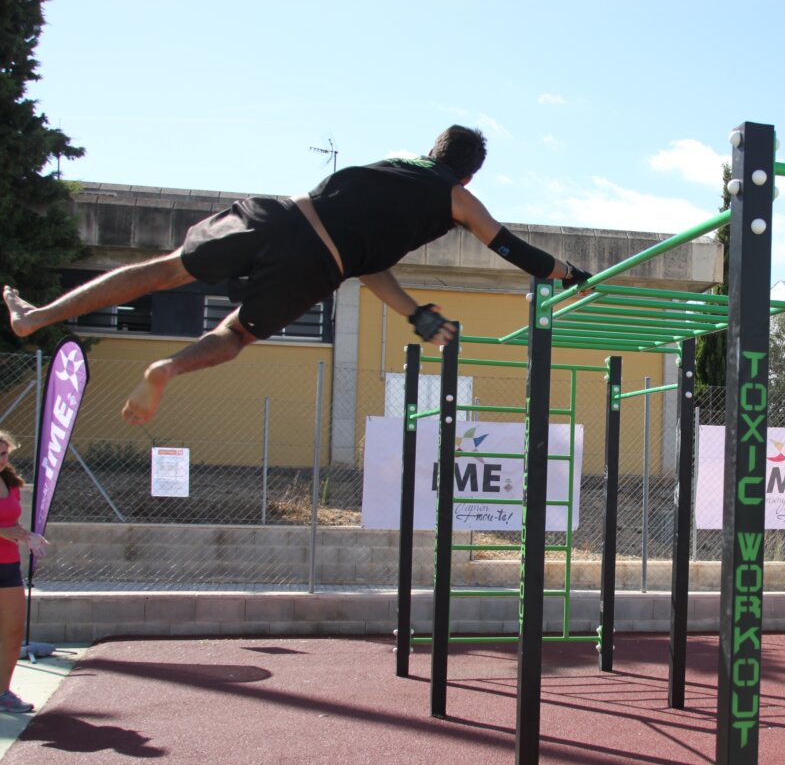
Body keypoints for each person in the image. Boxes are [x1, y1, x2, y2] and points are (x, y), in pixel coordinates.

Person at [4, 125, 591, 425]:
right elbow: (511, 247)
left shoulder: (393, 164)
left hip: (282, 214)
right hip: (319, 264)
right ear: (468, 175)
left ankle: (37, 315)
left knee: (165, 271)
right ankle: (169, 367)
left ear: (432, 149)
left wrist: (414, 311)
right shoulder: (456, 198)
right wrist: (571, 273)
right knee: (236, 333)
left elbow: (370, 267)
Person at [0, 430, 48, 714]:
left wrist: (29, 537)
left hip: (7, 566)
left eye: (4, 454)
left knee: (13, 630)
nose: (1, 460)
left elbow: (12, 526)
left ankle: (3, 692)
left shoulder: (11, 484)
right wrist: (4, 532)